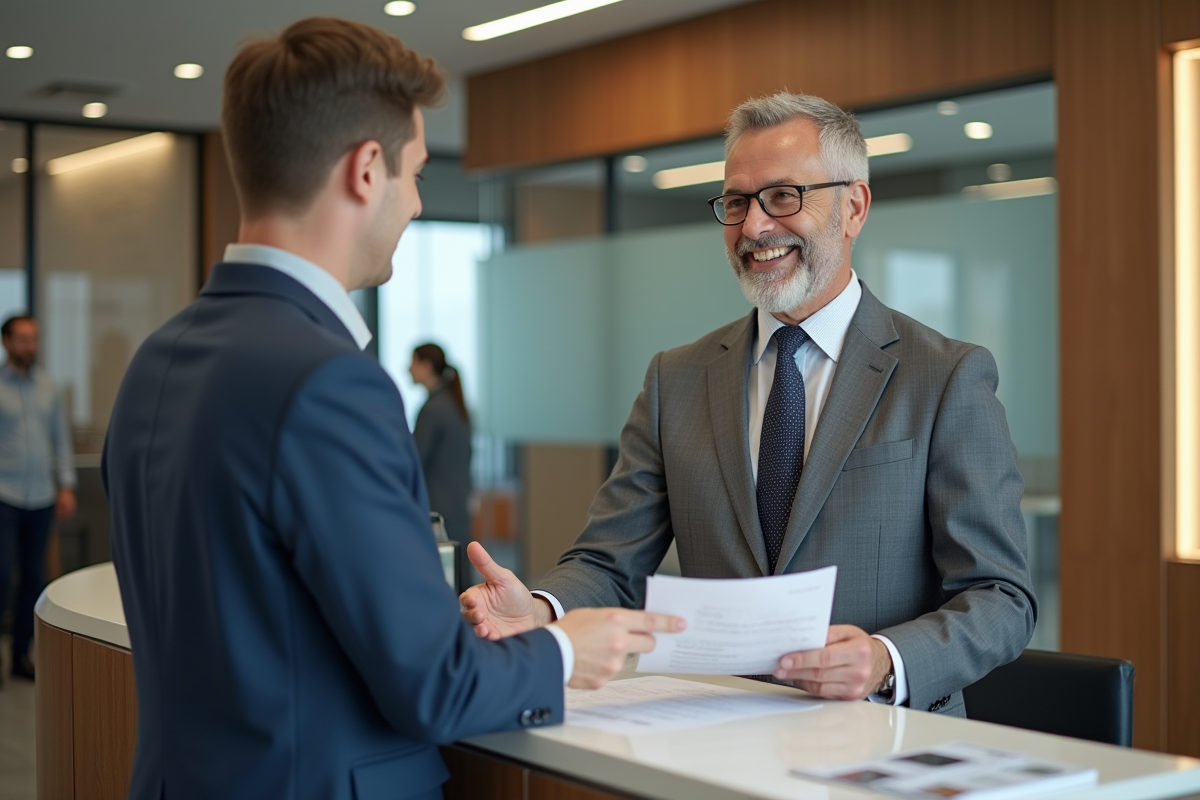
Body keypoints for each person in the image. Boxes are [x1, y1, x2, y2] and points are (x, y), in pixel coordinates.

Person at [102, 18, 683, 800]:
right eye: (413, 171)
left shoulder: (157, 359)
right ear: (365, 169)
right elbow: (434, 686)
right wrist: (567, 648)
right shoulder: (328, 381)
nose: (415, 201)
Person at [461, 91, 1036, 717]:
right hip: (715, 731)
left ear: (853, 207)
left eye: (784, 196)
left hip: (883, 738)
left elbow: (1000, 596)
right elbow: (608, 559)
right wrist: (543, 607)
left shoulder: (945, 375)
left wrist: (883, 658)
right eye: (736, 202)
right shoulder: (675, 379)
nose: (755, 227)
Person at [0, 315, 76, 683]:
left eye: (34, 339)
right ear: (6, 342)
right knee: (1, 576)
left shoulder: (49, 386)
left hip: (42, 496)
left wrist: (66, 485)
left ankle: (20, 655)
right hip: (5, 496)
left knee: (34, 577)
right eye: (22, 340)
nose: (30, 346)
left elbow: (60, 439)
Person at [409, 343, 471, 545]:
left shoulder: (433, 410)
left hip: (438, 508)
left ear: (426, 365)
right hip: (456, 503)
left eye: (413, 362)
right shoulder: (452, 403)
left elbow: (415, 459)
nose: (408, 368)